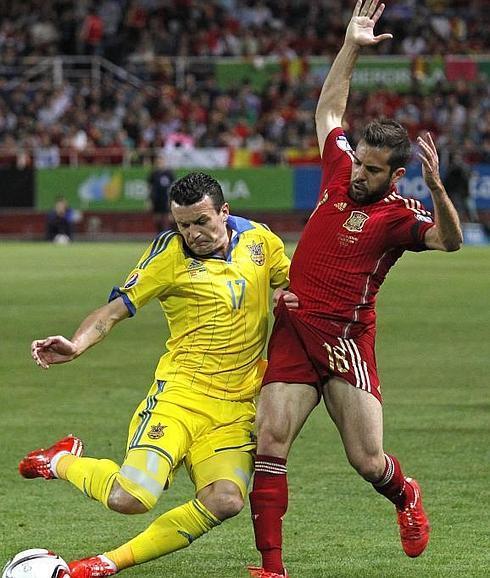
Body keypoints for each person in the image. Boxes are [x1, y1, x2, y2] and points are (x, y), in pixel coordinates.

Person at [247, 2, 463, 577]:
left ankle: (406, 495)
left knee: (367, 461)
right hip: (295, 330)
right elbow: (329, 108)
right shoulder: (340, 167)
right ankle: (272, 568)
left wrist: (438, 189)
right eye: (359, 164)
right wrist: (351, 45)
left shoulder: (399, 214)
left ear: (397, 174)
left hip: (346, 345)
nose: (357, 174)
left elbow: (449, 242)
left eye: (372, 170)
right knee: (269, 444)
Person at [22, 172, 291, 578]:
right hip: (180, 397)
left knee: (226, 501)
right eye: (183, 224)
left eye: (202, 221)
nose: (192, 233)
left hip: (236, 408)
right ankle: (59, 460)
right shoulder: (167, 256)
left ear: (225, 211)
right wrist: (76, 345)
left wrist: (291, 296)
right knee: (130, 498)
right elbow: (112, 312)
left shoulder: (260, 241)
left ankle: (106, 563)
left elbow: (293, 284)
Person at [147, 155, 175, 233]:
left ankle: (169, 234)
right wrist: (149, 200)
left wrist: (172, 199)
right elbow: (150, 187)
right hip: (156, 198)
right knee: (157, 218)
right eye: (158, 161)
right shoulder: (153, 174)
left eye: (161, 161)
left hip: (166, 198)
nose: (160, 163)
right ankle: (159, 234)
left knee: (169, 218)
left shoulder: (169, 173)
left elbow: (173, 187)